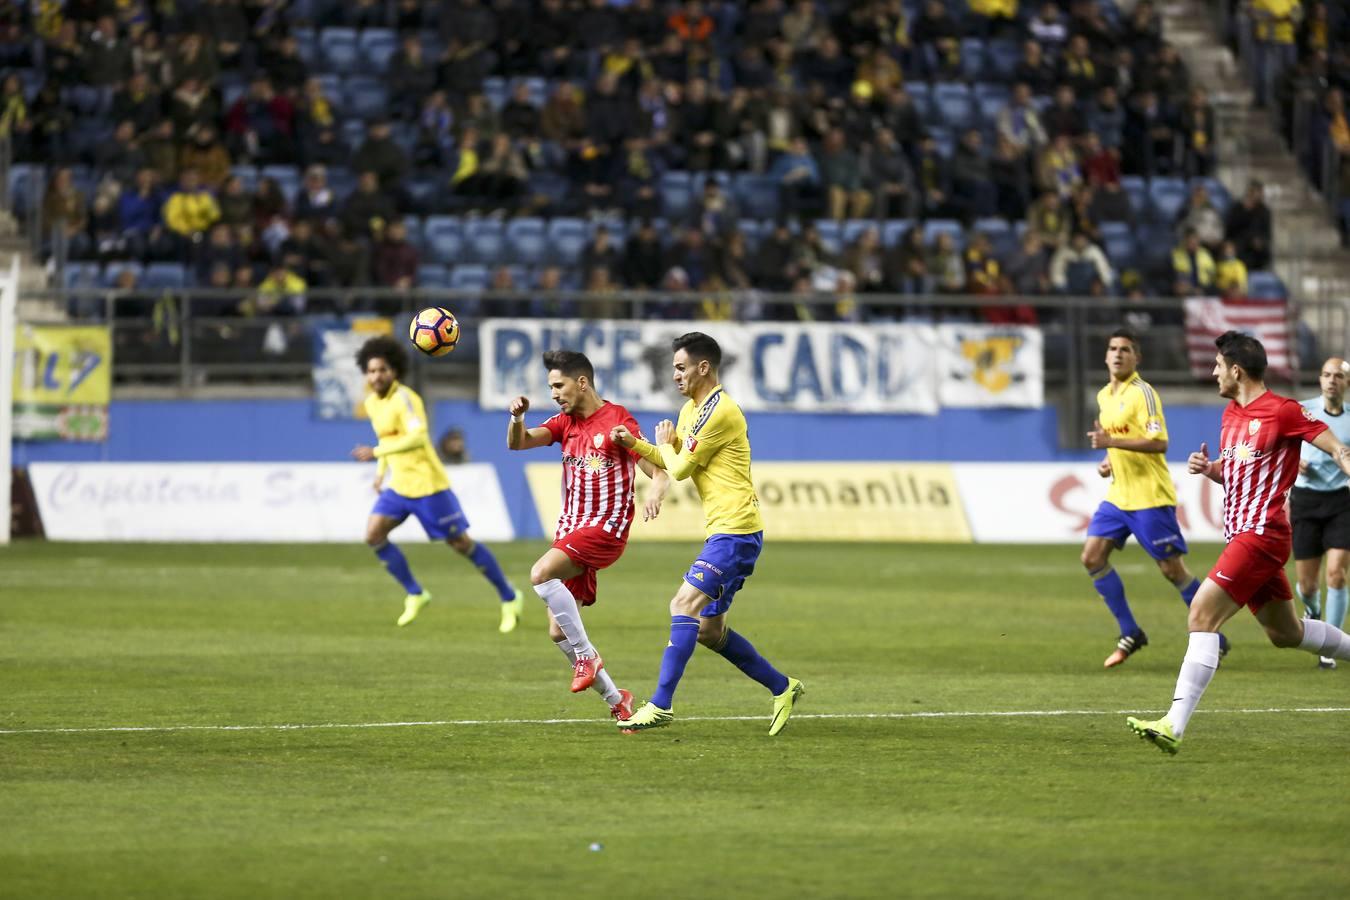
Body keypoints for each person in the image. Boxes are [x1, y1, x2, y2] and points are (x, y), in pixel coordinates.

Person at [1128, 332, 1350, 754]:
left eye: (1217, 365)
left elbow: (1334, 445)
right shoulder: (1230, 414)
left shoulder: (1283, 411)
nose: (1212, 372)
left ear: (1236, 369)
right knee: (1285, 632)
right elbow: (1239, 472)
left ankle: (1174, 723)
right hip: (1244, 534)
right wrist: (1210, 468)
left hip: (1261, 534)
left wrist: (1347, 460)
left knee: (1201, 615)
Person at [611, 332, 805, 736]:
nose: (675, 375)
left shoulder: (722, 411)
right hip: (727, 531)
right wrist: (637, 444)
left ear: (704, 367)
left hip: (735, 532)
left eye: (681, 367)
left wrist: (659, 446)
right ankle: (782, 687)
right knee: (708, 630)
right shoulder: (690, 411)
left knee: (682, 604)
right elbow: (676, 458)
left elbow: (678, 469)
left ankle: (660, 705)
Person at [506, 350, 670, 722]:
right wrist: (516, 417)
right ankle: (618, 700)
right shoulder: (564, 423)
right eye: (550, 387)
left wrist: (656, 493)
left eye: (558, 385)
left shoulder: (617, 419)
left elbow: (658, 469)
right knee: (557, 632)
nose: (554, 393)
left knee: (540, 573)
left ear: (582, 382)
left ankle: (588, 657)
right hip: (572, 530)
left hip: (605, 528)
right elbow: (518, 443)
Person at [350, 337, 524, 632]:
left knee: (460, 544)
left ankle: (510, 597)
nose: (376, 376)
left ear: (394, 370)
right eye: (371, 371)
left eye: (382, 370)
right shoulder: (371, 403)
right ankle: (416, 593)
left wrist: (377, 453)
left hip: (429, 486)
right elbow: (387, 439)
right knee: (373, 534)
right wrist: (381, 473)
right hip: (399, 486)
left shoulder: (406, 398)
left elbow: (418, 437)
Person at [1083, 330, 1226, 667]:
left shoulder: (1143, 393)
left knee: (1172, 570)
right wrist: (1110, 462)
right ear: (1106, 356)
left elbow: (1158, 442)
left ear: (1137, 358)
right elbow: (1120, 439)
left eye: (1126, 350)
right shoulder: (1104, 396)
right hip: (1119, 496)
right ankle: (1131, 631)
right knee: (1092, 557)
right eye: (1113, 348)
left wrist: (1112, 445)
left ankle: (1215, 637)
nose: (1118, 354)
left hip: (1150, 495)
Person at [1292, 357, 1350, 669]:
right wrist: (1294, 462)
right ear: (1320, 379)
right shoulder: (1302, 411)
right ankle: (1313, 612)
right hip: (1305, 501)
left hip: (1340, 501)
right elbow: (1282, 445)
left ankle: (1332, 641)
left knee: (1337, 574)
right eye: (1326, 374)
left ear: (1346, 383)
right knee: (1308, 585)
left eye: (1338, 376)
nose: (1331, 381)